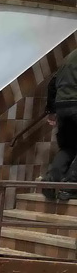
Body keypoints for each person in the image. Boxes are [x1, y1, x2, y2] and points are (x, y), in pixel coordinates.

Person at [43, 47, 77, 201]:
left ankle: (49, 184)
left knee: (68, 147)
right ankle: (69, 187)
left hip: (62, 107)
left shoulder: (69, 57)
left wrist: (52, 109)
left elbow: (52, 84)